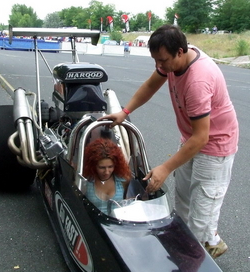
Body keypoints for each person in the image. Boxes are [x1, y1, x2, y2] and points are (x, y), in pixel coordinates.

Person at [102, 24, 239, 259]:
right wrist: (125, 112)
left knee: (199, 216)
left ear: (180, 51)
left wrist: (165, 168)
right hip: (191, 138)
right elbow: (151, 85)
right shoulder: (175, 59)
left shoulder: (198, 81)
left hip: (214, 146)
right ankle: (211, 240)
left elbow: (202, 137)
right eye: (155, 60)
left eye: (162, 60)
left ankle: (196, 253)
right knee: (183, 202)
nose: (159, 66)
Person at [83, 138, 132, 215]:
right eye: (102, 167)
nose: (107, 172)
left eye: (110, 167)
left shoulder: (124, 180)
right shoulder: (85, 181)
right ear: (93, 166)